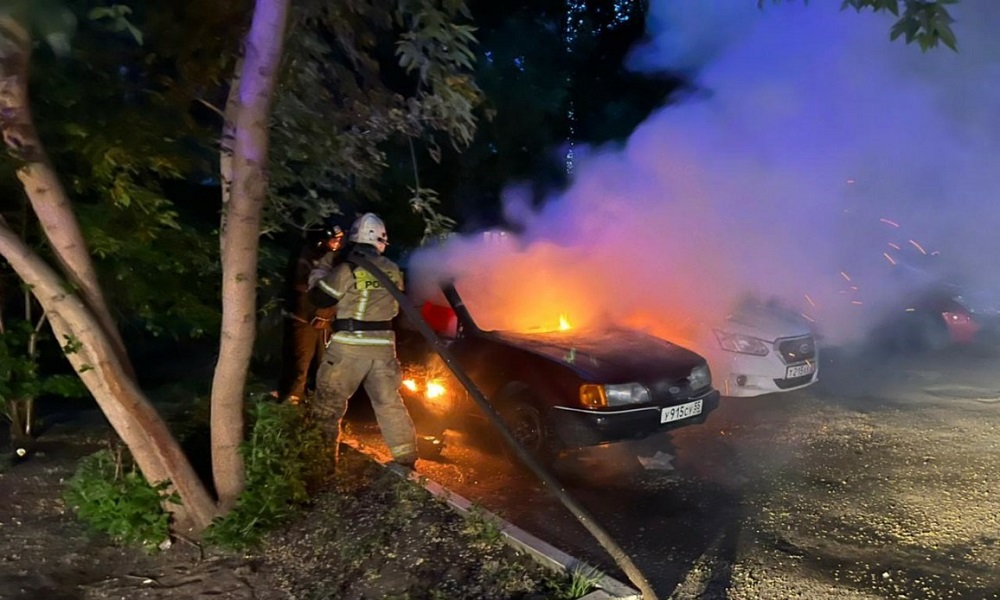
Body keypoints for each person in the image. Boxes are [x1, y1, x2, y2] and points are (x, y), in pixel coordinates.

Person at [308, 213, 419, 468]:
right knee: (389, 403)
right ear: (381, 241)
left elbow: (320, 298)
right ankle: (406, 457)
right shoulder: (393, 270)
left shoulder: (347, 269)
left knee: (328, 405)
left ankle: (320, 464)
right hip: (383, 349)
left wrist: (322, 268)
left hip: (349, 349)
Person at [277, 221, 346, 403]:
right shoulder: (305, 256)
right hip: (303, 319)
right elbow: (302, 286)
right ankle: (289, 408)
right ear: (321, 240)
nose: (338, 244)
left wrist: (326, 313)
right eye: (334, 240)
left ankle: (318, 407)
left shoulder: (334, 259)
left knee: (326, 366)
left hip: (325, 321)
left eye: (339, 240)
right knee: (299, 365)